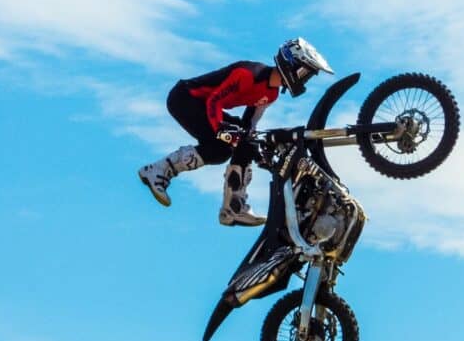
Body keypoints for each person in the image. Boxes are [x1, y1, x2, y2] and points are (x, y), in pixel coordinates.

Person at [138, 37, 333, 226]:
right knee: (223, 147)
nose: (304, 80)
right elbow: (214, 100)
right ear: (292, 65)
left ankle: (233, 206)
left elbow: (250, 125)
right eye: (304, 73)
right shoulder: (248, 74)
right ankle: (159, 170)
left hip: (204, 106)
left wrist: (257, 153)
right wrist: (221, 130)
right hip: (185, 99)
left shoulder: (271, 94)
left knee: (242, 144)